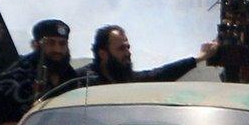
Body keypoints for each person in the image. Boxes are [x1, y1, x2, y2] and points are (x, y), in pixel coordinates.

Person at [0, 19, 79, 125]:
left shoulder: (71, 78)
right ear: (36, 44)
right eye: (51, 43)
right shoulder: (13, 75)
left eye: (62, 44)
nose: (57, 50)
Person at [76, 25, 218, 85]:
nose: (127, 53)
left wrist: (199, 58)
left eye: (127, 47)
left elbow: (159, 75)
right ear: (103, 54)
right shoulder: (81, 80)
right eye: (121, 49)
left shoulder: (125, 78)